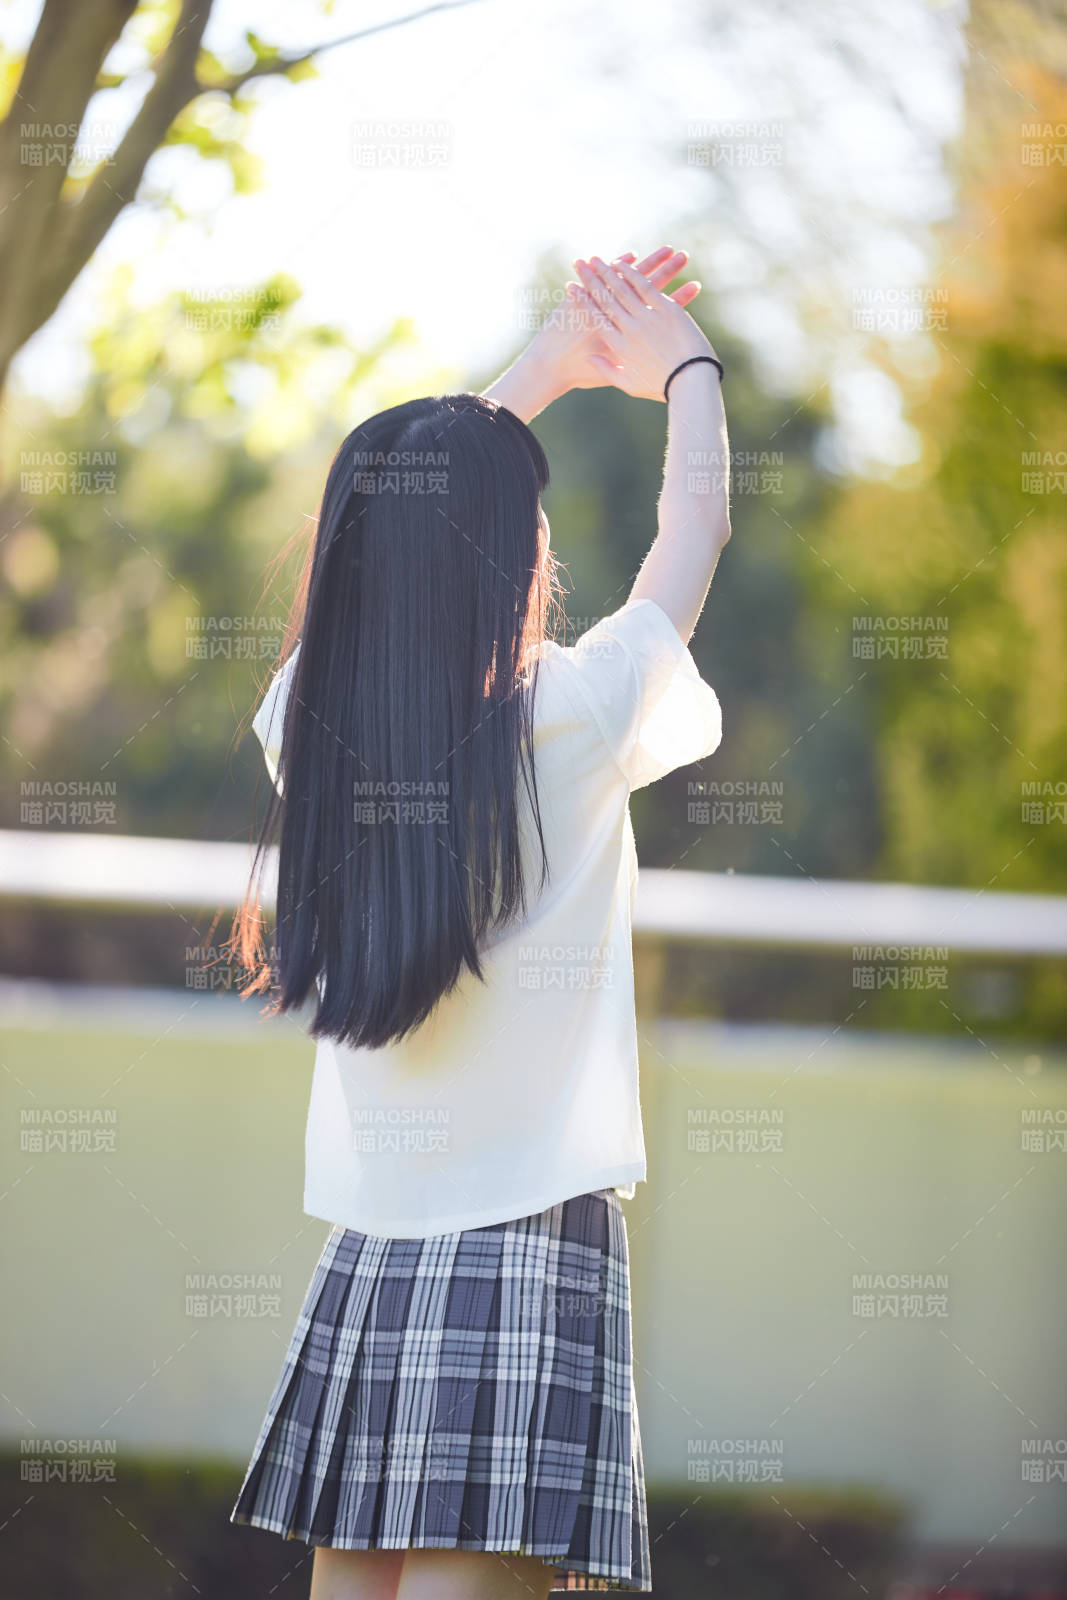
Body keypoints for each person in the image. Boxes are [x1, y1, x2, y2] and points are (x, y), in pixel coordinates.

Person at [227, 247, 732, 1599]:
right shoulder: (571, 717)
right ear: (512, 560)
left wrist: (535, 371)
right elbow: (694, 534)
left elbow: (392, 527)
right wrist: (681, 363)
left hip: (378, 1243)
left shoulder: (312, 736)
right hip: (528, 1241)